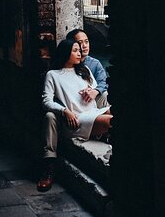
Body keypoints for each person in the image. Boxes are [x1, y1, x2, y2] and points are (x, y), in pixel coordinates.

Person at [37, 39, 113, 192]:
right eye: (75, 50)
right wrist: (64, 110)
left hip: (93, 111)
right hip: (78, 118)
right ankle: (49, 168)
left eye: (80, 50)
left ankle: (107, 136)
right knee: (112, 121)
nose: (80, 53)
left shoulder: (84, 70)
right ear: (65, 53)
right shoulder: (53, 75)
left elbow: (94, 90)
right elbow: (46, 101)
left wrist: (92, 91)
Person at [66, 28, 110, 108]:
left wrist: (95, 91)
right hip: (72, 101)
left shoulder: (95, 63)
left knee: (105, 94)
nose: (85, 46)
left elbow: (103, 82)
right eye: (80, 42)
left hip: (90, 99)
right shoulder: (66, 65)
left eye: (86, 42)